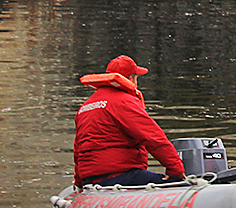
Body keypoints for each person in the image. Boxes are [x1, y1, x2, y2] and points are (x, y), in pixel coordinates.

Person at [74, 55, 186, 187]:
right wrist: (175, 169)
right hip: (121, 175)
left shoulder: (85, 107)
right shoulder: (123, 101)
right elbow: (153, 137)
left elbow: (78, 150)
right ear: (131, 79)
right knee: (184, 186)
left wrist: (79, 183)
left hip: (90, 179)